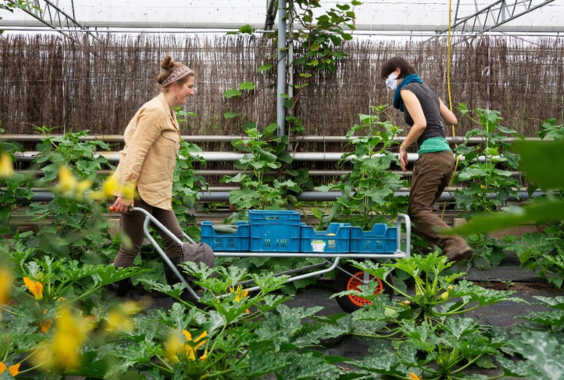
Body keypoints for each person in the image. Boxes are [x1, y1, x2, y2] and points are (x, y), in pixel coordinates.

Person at [109, 55, 196, 296]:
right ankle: (110, 301)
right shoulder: (155, 111)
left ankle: (184, 295)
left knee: (176, 241)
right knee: (130, 248)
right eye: (190, 86)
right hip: (138, 192)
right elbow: (135, 152)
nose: (192, 92)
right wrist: (126, 193)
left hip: (156, 192)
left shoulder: (168, 111)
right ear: (175, 87)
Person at [380, 56, 472, 262]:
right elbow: (452, 119)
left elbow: (420, 123)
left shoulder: (406, 89)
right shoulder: (428, 90)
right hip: (446, 156)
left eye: (388, 77)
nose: (388, 83)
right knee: (424, 210)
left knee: (418, 210)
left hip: (432, 156)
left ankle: (455, 244)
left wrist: (403, 147)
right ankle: (433, 262)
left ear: (397, 71)